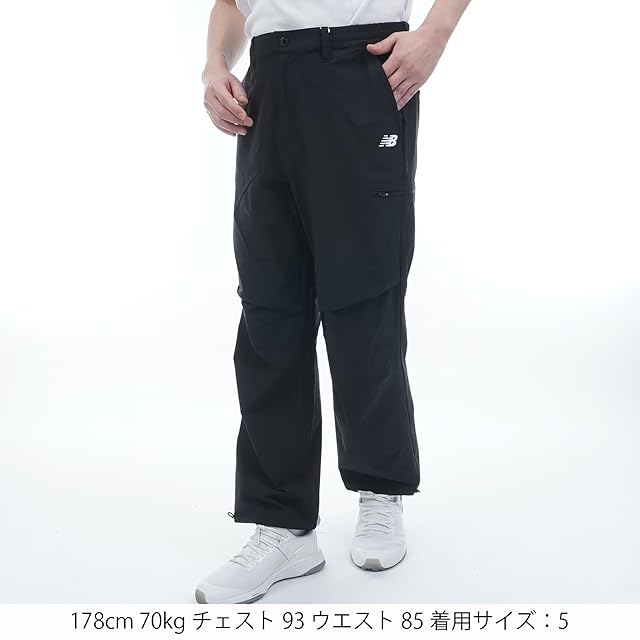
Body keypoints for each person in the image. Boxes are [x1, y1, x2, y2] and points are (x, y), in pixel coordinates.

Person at [196, 0, 471, 604]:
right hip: (269, 82)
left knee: (363, 299)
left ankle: (380, 489)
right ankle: (283, 527)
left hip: (363, 67)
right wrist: (215, 65)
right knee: (269, 311)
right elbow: (231, 4)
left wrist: (436, 32)